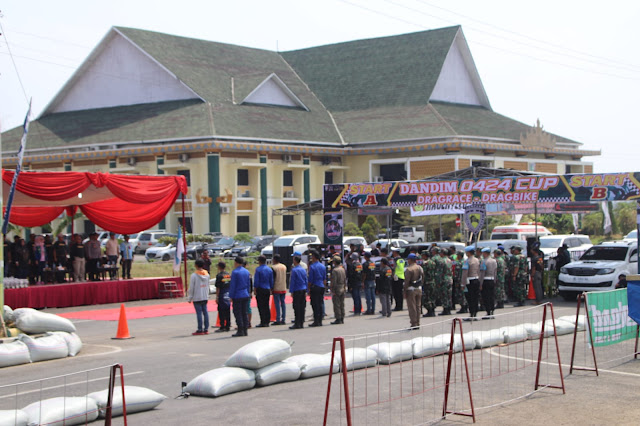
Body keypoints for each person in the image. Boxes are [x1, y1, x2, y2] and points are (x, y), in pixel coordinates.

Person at [187, 259, 210, 335]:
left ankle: (200, 329)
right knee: (205, 312)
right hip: (205, 296)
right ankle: (206, 328)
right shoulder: (207, 274)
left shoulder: (194, 275)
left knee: (199, 313)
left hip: (197, 296)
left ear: (196, 265)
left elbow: (192, 287)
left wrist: (190, 297)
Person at [230, 256, 251, 337]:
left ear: (236, 263)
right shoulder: (246, 271)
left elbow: (233, 285)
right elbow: (248, 284)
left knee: (238, 313)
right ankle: (245, 330)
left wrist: (231, 296)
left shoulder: (235, 272)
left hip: (237, 295)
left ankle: (240, 330)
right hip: (245, 293)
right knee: (244, 312)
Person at [404, 253, 424, 329]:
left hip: (411, 289)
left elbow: (406, 282)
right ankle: (418, 322)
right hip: (419, 288)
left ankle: (414, 323)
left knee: (412, 307)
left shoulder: (409, 269)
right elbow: (423, 278)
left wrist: (404, 290)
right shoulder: (420, 268)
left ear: (410, 260)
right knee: (418, 306)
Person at [254, 255, 274, 327]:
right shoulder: (269, 269)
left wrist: (255, 289)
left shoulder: (258, 269)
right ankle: (267, 320)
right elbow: (271, 280)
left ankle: (263, 321)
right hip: (267, 289)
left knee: (261, 306)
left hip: (260, 289)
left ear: (259, 261)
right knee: (266, 305)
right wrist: (271, 288)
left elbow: (256, 281)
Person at [461, 246, 480, 320]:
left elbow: (464, 273)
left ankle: (472, 314)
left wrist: (463, 284)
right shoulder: (477, 260)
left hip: (469, 281)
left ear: (468, 253)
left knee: (470, 298)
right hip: (476, 279)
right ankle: (475, 313)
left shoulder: (467, 261)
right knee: (475, 298)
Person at [289, 253, 308, 329]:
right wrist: (306, 289)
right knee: (302, 306)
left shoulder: (294, 270)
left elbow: (292, 281)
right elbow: (306, 280)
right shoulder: (303, 270)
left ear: (295, 261)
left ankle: (297, 323)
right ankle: (301, 322)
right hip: (303, 289)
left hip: (297, 289)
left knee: (296, 307)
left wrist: (291, 291)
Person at [308, 250, 326, 327]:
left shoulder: (312, 267)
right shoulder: (323, 266)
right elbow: (324, 279)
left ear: (314, 257)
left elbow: (310, 279)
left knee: (315, 304)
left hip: (315, 286)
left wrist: (308, 289)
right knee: (320, 303)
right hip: (321, 286)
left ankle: (316, 320)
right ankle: (320, 320)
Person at [479, 247, 497, 318]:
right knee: (491, 296)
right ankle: (492, 311)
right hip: (492, 279)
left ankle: (488, 311)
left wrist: (480, 283)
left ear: (485, 253)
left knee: (486, 297)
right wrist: (495, 280)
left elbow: (482, 273)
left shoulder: (484, 261)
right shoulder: (494, 261)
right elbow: (495, 271)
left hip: (485, 280)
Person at [214, 261, 231, 332]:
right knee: (227, 310)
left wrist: (217, 297)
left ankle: (222, 326)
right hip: (228, 293)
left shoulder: (219, 275)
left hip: (222, 293)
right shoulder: (228, 274)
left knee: (221, 310)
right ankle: (228, 325)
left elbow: (218, 287)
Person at [271, 254, 287, 325]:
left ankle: (278, 318)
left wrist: (271, 288)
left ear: (274, 260)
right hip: (283, 286)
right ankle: (283, 318)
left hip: (276, 287)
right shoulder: (284, 266)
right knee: (283, 303)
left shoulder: (273, 267)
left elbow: (272, 278)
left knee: (277, 304)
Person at [330, 256, 346, 324]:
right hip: (342, 286)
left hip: (337, 287)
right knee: (342, 303)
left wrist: (332, 289)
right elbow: (345, 279)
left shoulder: (335, 270)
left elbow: (334, 281)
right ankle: (342, 317)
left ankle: (338, 318)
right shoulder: (342, 269)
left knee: (336, 304)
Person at [439, 248, 454, 316]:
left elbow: (440, 272)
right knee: (449, 294)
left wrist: (439, 281)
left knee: (444, 295)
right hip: (450, 278)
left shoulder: (442, 261)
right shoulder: (450, 260)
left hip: (444, 279)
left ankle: (445, 309)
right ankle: (449, 308)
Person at [422, 250, 436, 317]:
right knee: (432, 296)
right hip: (433, 281)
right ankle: (433, 310)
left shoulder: (425, 263)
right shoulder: (433, 262)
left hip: (427, 282)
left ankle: (430, 311)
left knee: (427, 297)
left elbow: (423, 273)